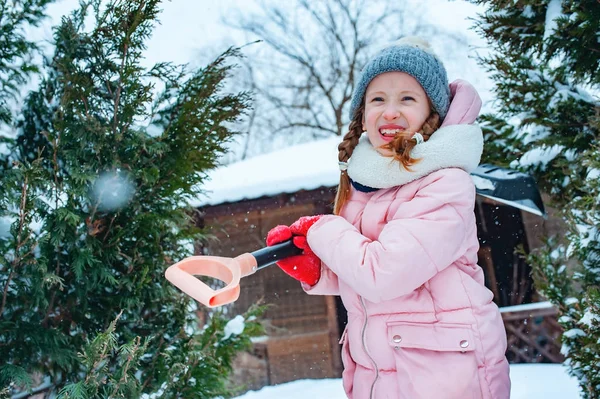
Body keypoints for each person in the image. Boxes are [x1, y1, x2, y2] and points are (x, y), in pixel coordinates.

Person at [266, 37, 511, 399]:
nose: (390, 111)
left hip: (444, 375)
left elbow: (385, 274)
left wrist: (324, 229)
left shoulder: (445, 183)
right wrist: (321, 270)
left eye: (407, 99)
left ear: (433, 114)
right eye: (377, 99)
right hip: (382, 374)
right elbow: (374, 279)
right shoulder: (366, 188)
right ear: (362, 114)